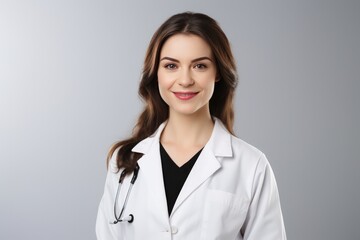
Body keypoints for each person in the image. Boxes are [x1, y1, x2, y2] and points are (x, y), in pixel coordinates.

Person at [96, 12, 286, 240]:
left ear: (217, 73)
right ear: (156, 72)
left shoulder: (251, 166)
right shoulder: (124, 161)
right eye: (171, 66)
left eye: (199, 66)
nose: (185, 80)